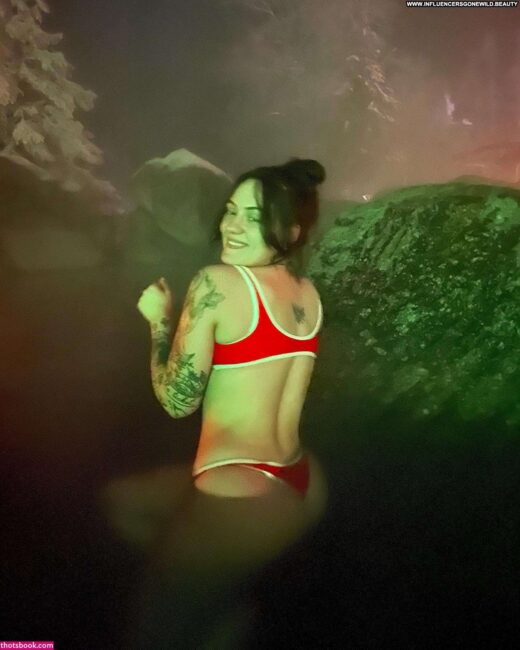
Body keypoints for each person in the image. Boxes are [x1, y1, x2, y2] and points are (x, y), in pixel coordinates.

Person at [106, 158, 328, 647]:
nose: (232, 226)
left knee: (149, 635)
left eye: (254, 217)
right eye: (231, 210)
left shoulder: (217, 282)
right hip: (301, 484)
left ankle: (201, 584)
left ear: (290, 231)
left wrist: (158, 320)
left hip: (241, 498)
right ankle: (210, 586)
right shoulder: (307, 293)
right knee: (124, 501)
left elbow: (177, 400)